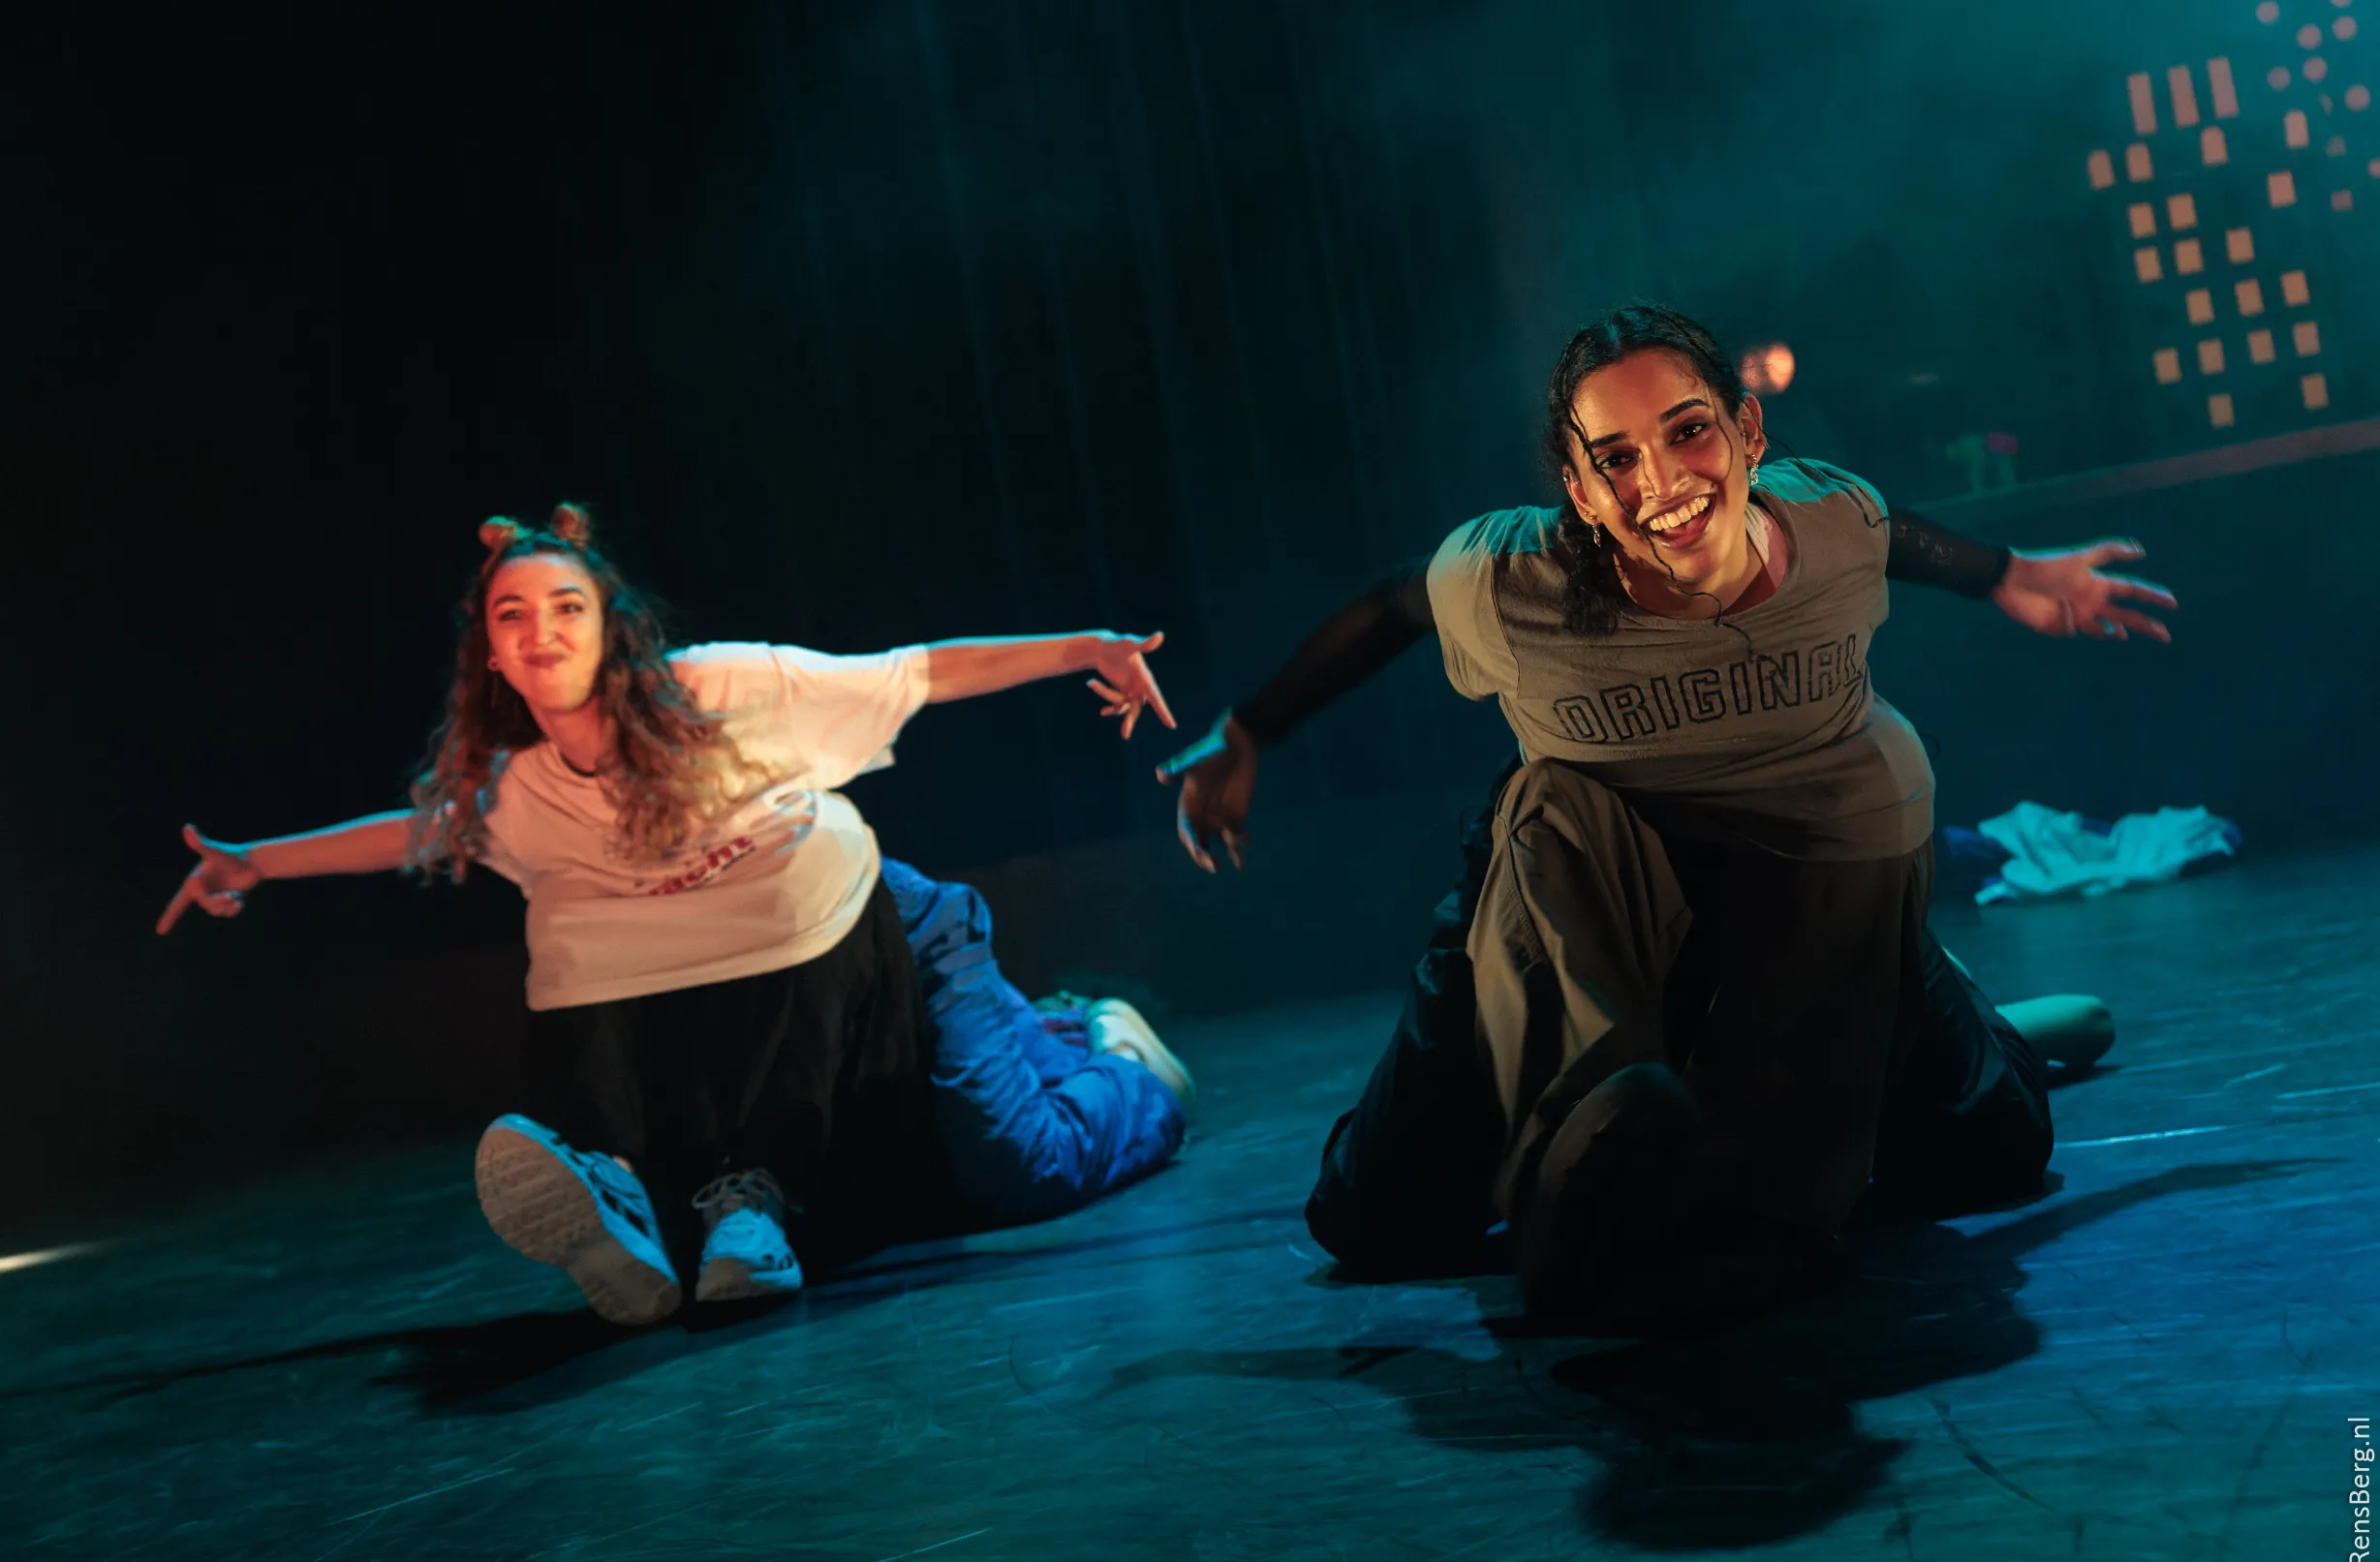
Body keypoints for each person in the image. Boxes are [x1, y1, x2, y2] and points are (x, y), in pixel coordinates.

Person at [1161, 304, 2175, 1330]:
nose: (1662, 482)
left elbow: (1893, 539)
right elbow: (1392, 607)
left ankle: (1966, 1016)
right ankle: (1599, 1145)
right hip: (1583, 917)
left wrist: (2007, 576)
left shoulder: (1830, 520)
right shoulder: (1515, 581)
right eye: (1615, 458)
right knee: (1372, 1226)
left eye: (1688, 431)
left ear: (1747, 432)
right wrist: (1248, 732)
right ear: (1578, 490)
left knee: (1990, 1158)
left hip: (1795, 904)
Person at [158, 505, 1195, 1326]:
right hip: (773, 996)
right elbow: (418, 832)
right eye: (511, 616)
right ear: (491, 656)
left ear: (610, 628)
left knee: (1019, 1166)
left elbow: (911, 673)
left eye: (566, 607)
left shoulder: (721, 689)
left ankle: (1116, 1052)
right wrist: (253, 863)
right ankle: (639, 1194)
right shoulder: (525, 793)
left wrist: (1084, 648)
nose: (540, 631)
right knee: (874, 1194)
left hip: (904, 940)